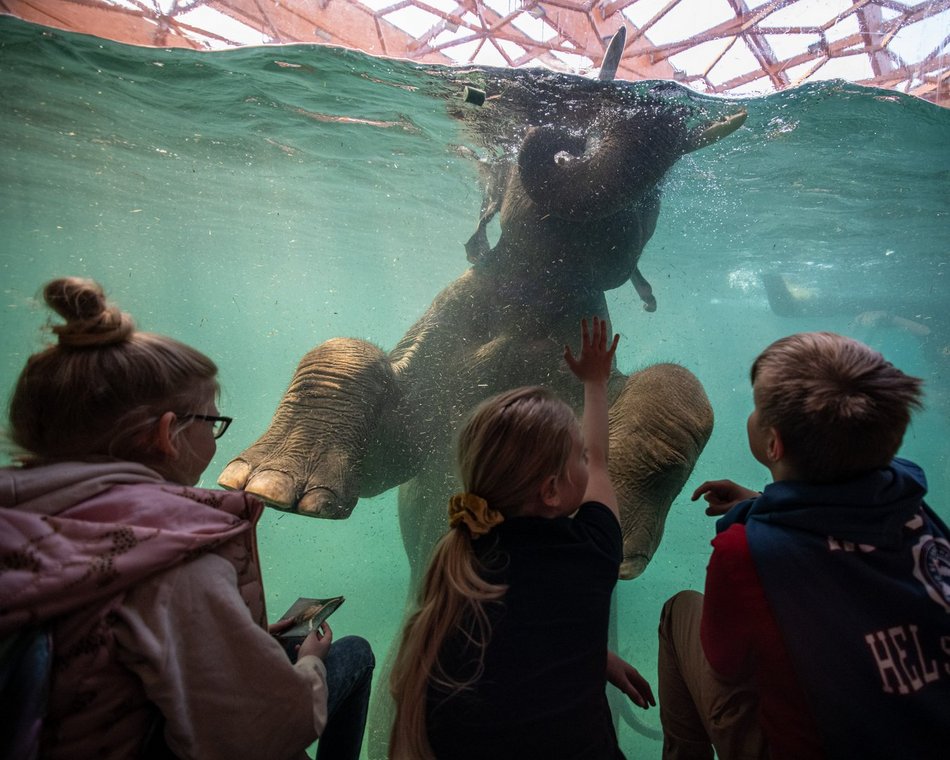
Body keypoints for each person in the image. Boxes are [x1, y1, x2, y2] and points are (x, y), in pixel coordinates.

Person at [0, 276, 374, 760]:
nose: (219, 441)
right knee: (353, 654)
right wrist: (308, 666)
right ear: (166, 435)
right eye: (214, 423)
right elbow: (261, 733)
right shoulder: (171, 560)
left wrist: (245, 636)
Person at [658, 331, 950, 760]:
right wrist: (763, 505)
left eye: (758, 407)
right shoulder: (913, 507)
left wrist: (757, 522)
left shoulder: (744, 552)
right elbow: (840, 528)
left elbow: (724, 663)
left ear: (773, 443)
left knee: (678, 611)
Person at [388, 316, 655, 760]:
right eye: (577, 458)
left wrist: (591, 652)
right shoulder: (589, 551)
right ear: (551, 491)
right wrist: (595, 383)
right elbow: (604, 464)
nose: (587, 463)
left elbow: (513, 642)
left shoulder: (458, 556)